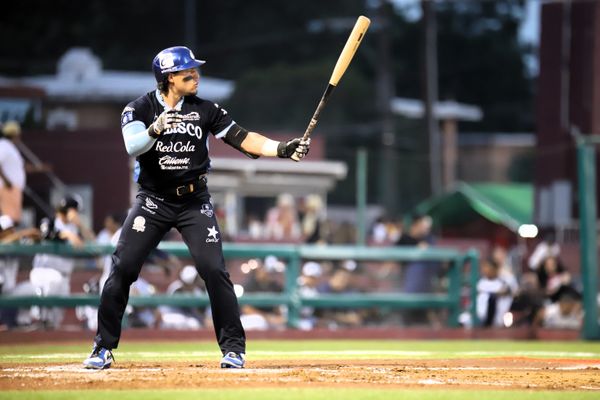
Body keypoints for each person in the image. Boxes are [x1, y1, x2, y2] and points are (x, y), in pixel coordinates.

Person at [84, 46, 310, 370]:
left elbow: (243, 138)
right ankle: (102, 347)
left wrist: (282, 149)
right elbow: (132, 145)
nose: (196, 77)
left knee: (214, 270)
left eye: (196, 72)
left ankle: (233, 349)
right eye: (189, 73)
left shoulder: (204, 109)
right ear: (170, 78)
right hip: (153, 201)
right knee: (122, 268)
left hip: (194, 202)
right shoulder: (138, 109)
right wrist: (155, 129)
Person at [30, 196, 95, 329]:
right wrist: (67, 235)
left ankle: (47, 342)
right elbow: (46, 233)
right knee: (43, 314)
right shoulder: (50, 221)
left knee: (56, 319)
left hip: (65, 275)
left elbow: (92, 243)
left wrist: (81, 225)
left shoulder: (75, 228)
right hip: (45, 272)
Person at [0, 121, 25, 230]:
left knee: (13, 219)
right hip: (8, 188)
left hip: (12, 188)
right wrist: (6, 181)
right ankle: (9, 243)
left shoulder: (10, 147)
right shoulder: (4, 145)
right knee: (10, 220)